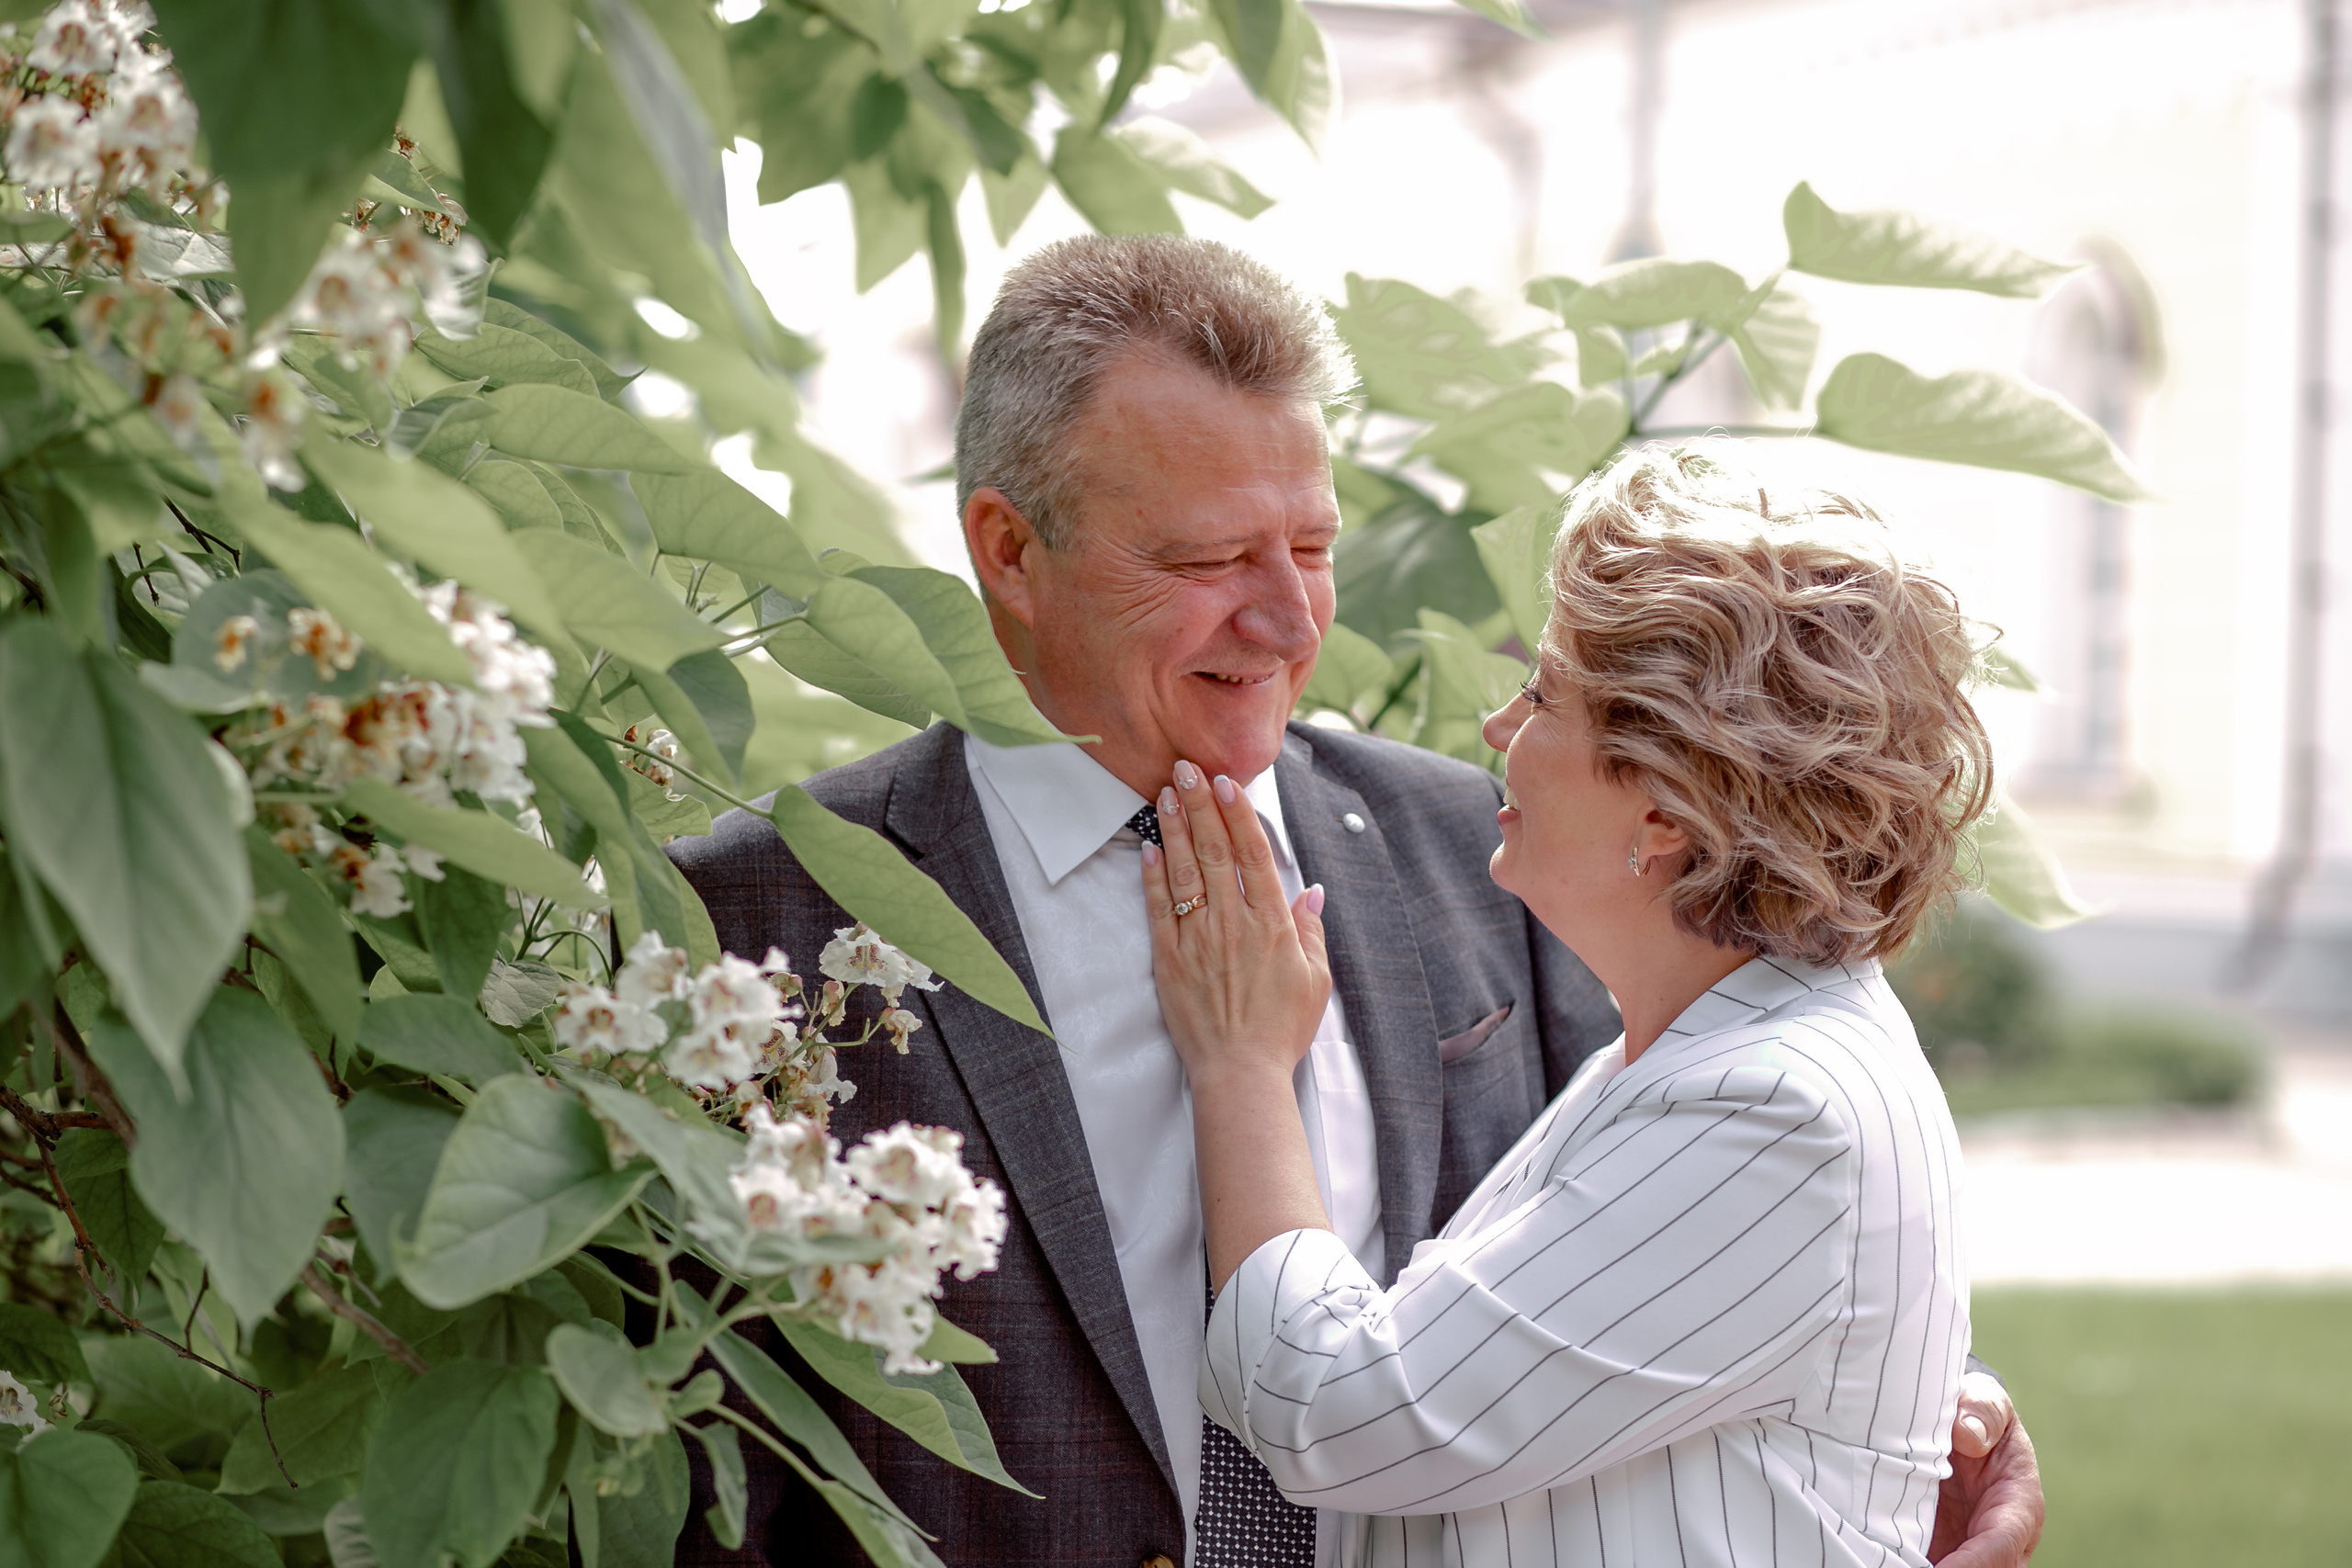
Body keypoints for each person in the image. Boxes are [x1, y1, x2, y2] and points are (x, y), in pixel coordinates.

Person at [667, 238, 2041, 1566]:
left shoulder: (1480, 852)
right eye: (1208, 562)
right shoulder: (753, 923)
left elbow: (1677, 1231)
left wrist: (1913, 1401)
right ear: (1010, 551)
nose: (1288, 620)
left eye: (1311, 546)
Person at [1144, 442, 2023, 1565]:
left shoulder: (1777, 1109)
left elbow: (1343, 1414)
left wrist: (1243, 1066)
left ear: (1664, 807)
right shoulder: (1693, 1056)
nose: (1498, 729)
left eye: (1544, 693)